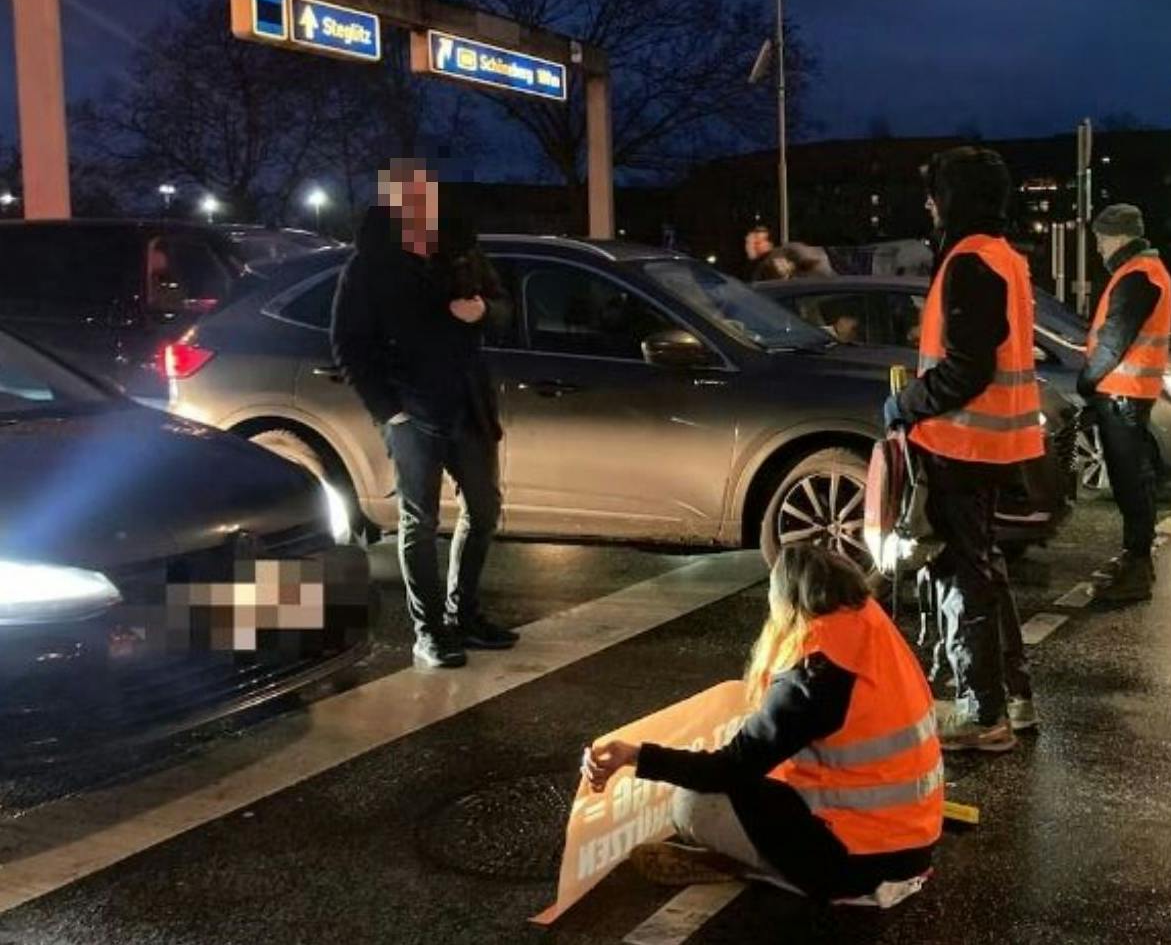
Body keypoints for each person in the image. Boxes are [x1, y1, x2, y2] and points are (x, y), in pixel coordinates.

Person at [581, 545, 941, 905]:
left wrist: (637, 756)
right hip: (913, 842)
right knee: (761, 781)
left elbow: (728, 769)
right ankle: (773, 862)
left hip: (859, 863)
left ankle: (759, 868)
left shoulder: (814, 673)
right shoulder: (868, 623)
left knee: (691, 806)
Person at [883, 146, 1043, 752]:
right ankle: (1012, 698)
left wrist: (906, 404)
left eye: (935, 193)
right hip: (995, 444)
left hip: (960, 444)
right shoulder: (1004, 258)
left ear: (953, 200)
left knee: (961, 576)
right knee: (984, 570)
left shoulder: (969, 262)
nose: (928, 204)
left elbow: (967, 369)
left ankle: (982, 714)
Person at [331, 158, 518, 669]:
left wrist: (483, 311)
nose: (420, 209)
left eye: (426, 199)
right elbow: (348, 343)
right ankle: (429, 631)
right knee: (420, 522)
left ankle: (464, 615)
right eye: (408, 200)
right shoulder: (368, 266)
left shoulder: (461, 253)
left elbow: (503, 309)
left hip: (467, 406)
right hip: (411, 413)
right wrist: (387, 411)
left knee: (483, 512)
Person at [1076, 204, 1171, 602]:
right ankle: (1135, 557)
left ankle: (1137, 566)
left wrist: (1087, 381)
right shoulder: (1142, 272)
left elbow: (1114, 339)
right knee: (1135, 480)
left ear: (1118, 236)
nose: (1098, 247)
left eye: (1100, 238)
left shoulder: (1137, 276)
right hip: (1128, 394)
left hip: (1122, 395)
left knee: (1130, 482)